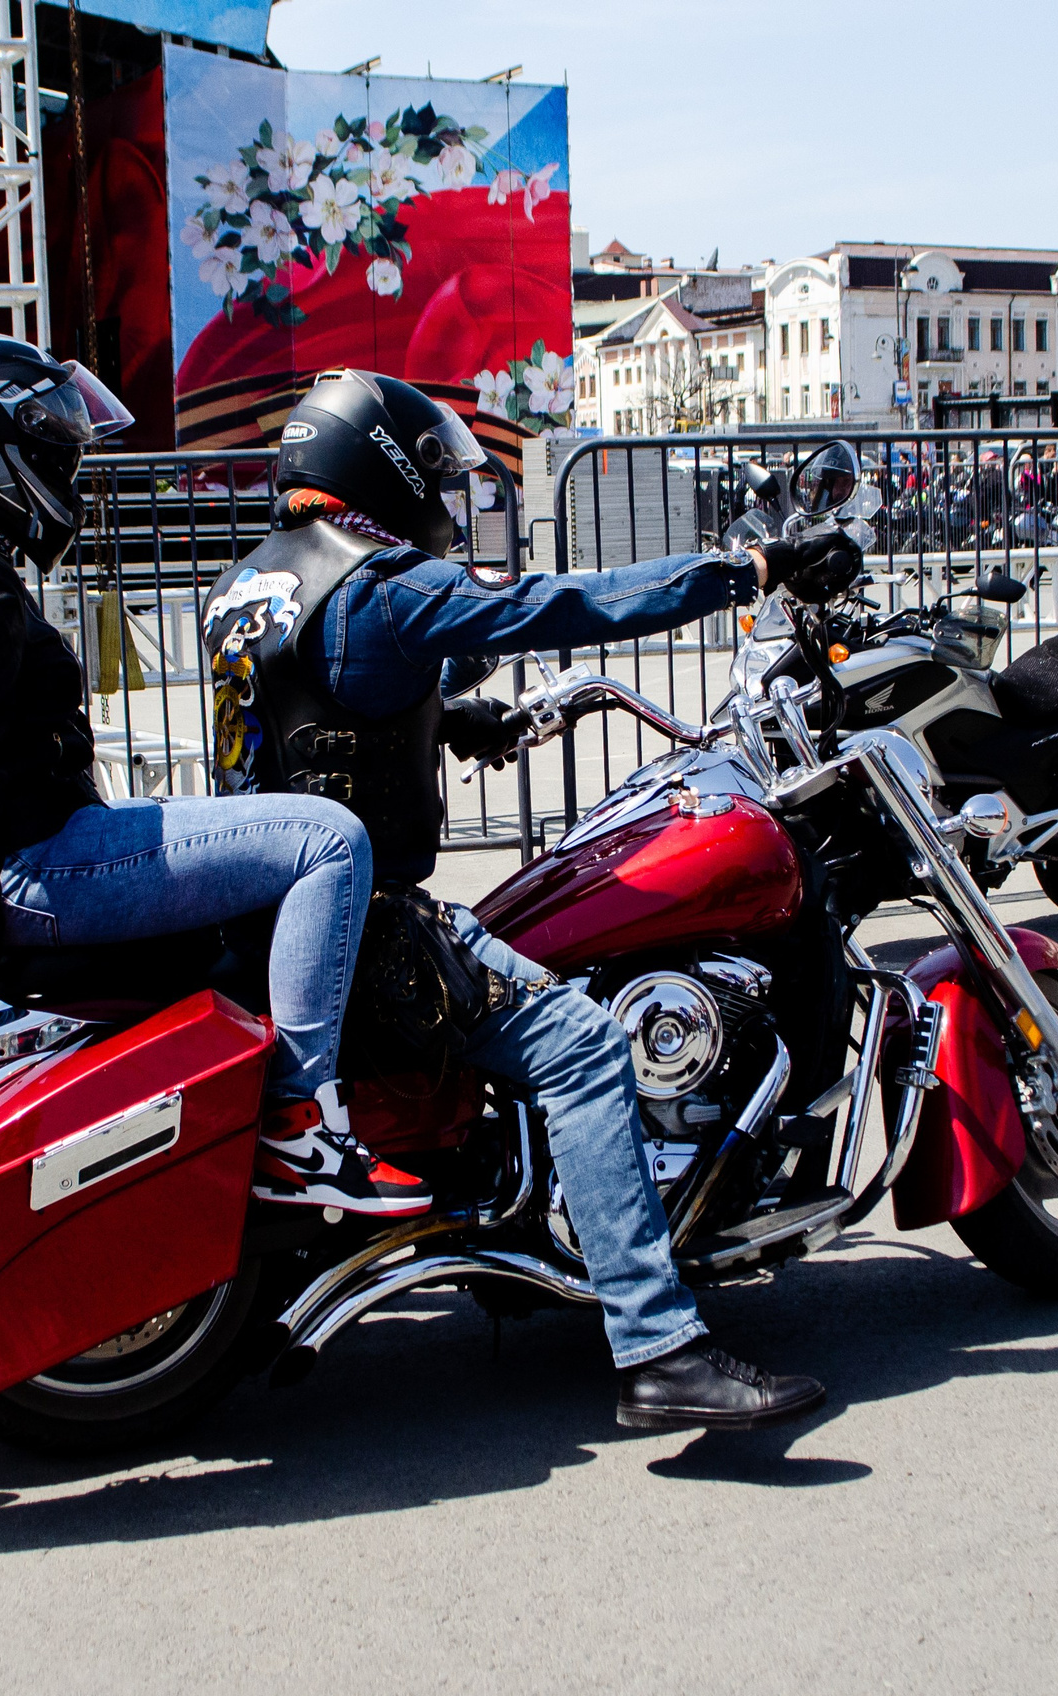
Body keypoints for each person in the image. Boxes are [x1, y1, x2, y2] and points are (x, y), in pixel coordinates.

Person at [202, 369, 862, 1431]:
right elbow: (557, 604)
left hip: (275, 924)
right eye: (432, 476)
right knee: (585, 1048)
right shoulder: (382, 583)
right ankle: (658, 1343)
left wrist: (454, 720)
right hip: (367, 936)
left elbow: (312, 706)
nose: (444, 502)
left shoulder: (251, 583)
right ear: (383, 468)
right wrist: (741, 568)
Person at [0, 335, 424, 1216]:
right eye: (49, 449)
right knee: (326, 839)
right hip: (39, 869)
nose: (64, 471)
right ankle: (302, 1124)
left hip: (22, 859)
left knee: (253, 820)